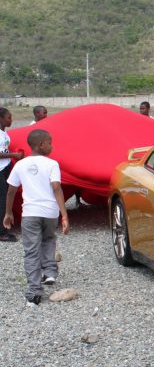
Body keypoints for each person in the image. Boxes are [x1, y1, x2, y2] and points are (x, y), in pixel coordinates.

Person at [3, 129, 69, 307]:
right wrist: (64, 214)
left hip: (30, 213)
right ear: (41, 145)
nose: (52, 145)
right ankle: (49, 272)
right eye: (50, 142)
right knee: (48, 239)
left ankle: (34, 292)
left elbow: (11, 190)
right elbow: (56, 188)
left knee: (31, 250)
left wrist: (8, 213)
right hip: (50, 213)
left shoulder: (20, 164)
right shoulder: (52, 164)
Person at [0, 107, 25, 242]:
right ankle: (2, 232)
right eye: (8, 117)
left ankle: (6, 224)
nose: (11, 120)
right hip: (0, 169)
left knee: (8, 197)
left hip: (5, 167)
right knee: (3, 199)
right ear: (1, 118)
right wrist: (14, 155)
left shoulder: (3, 133)